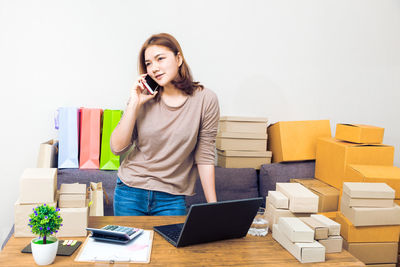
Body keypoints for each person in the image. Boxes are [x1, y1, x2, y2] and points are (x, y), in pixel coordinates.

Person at [110, 33, 220, 216]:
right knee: (131, 245)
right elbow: (117, 148)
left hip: (171, 197)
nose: (154, 68)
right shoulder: (144, 98)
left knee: (170, 245)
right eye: (148, 63)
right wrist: (134, 104)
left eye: (160, 59)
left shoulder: (205, 99)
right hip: (130, 191)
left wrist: (214, 208)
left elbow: (205, 155)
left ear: (178, 59)